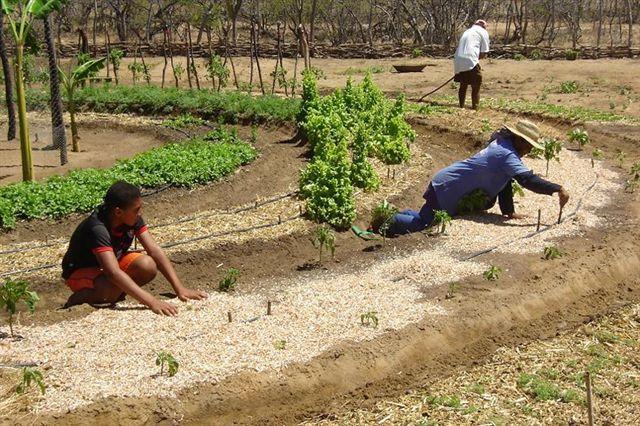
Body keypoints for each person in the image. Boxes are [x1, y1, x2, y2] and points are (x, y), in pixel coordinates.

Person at [387, 120, 570, 235]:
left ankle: (397, 216)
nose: (529, 151)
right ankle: (387, 221)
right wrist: (557, 188)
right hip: (447, 187)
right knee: (423, 224)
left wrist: (509, 212)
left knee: (427, 218)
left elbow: (505, 181)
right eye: (529, 146)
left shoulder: (503, 144)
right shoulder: (506, 154)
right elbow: (527, 180)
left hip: (449, 185)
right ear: (519, 140)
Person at [61, 181, 207, 316]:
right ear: (118, 212)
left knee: (148, 265)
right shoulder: (97, 228)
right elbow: (112, 273)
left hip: (107, 266)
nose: (140, 213)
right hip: (80, 272)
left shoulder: (131, 218)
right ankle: (80, 297)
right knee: (109, 290)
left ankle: (117, 291)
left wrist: (179, 289)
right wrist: (151, 302)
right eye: (136, 210)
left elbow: (154, 250)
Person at [454, 19, 490, 110]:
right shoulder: (483, 32)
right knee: (476, 85)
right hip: (470, 59)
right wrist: (475, 60)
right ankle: (475, 108)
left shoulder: (467, 31)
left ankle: (461, 106)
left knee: (463, 84)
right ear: (483, 25)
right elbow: (484, 52)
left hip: (458, 59)